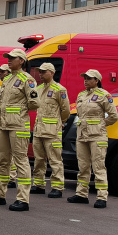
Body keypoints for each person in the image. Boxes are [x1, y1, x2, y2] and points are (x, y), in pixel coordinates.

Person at [0, 48, 38, 212]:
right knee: (3, 160)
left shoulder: (27, 80)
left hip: (18, 126)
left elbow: (34, 102)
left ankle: (23, 199)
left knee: (21, 161)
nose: (9, 60)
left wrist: (19, 111)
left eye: (12, 58)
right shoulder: (6, 80)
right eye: (8, 58)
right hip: (2, 125)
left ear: (21, 61)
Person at [69, 69, 118, 208]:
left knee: (98, 166)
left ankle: (102, 196)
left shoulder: (104, 95)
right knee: (83, 166)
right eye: (84, 78)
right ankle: (81, 194)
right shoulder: (82, 95)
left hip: (97, 136)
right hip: (82, 135)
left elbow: (114, 116)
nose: (85, 80)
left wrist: (101, 125)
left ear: (97, 80)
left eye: (89, 78)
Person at [30, 63, 70, 199]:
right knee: (39, 159)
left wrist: (60, 123)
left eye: (43, 72)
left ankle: (57, 187)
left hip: (53, 131)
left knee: (55, 160)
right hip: (39, 130)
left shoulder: (60, 89)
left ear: (52, 73)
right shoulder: (38, 88)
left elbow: (66, 110)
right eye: (39, 72)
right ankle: (39, 184)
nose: (40, 74)